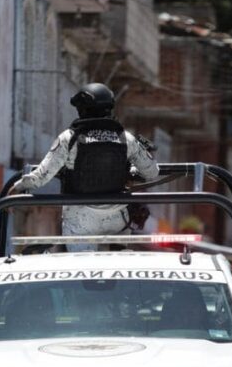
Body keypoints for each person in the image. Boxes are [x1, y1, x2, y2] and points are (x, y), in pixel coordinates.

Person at [9, 83, 159, 249]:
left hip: (80, 220)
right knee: (116, 264)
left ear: (82, 109)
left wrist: (17, 187)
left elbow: (41, 176)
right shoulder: (127, 138)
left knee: (81, 263)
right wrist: (130, 171)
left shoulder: (69, 138)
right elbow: (152, 172)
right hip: (117, 219)